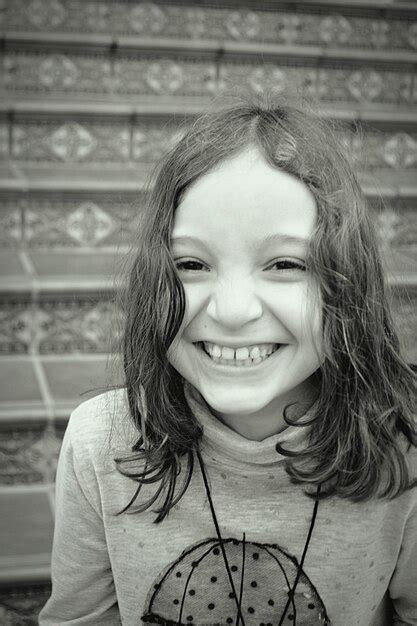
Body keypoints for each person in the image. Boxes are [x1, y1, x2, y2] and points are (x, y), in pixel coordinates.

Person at [38, 98, 416, 626]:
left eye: (286, 263)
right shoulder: (100, 442)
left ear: (347, 285)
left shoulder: (404, 447)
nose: (233, 311)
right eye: (191, 264)